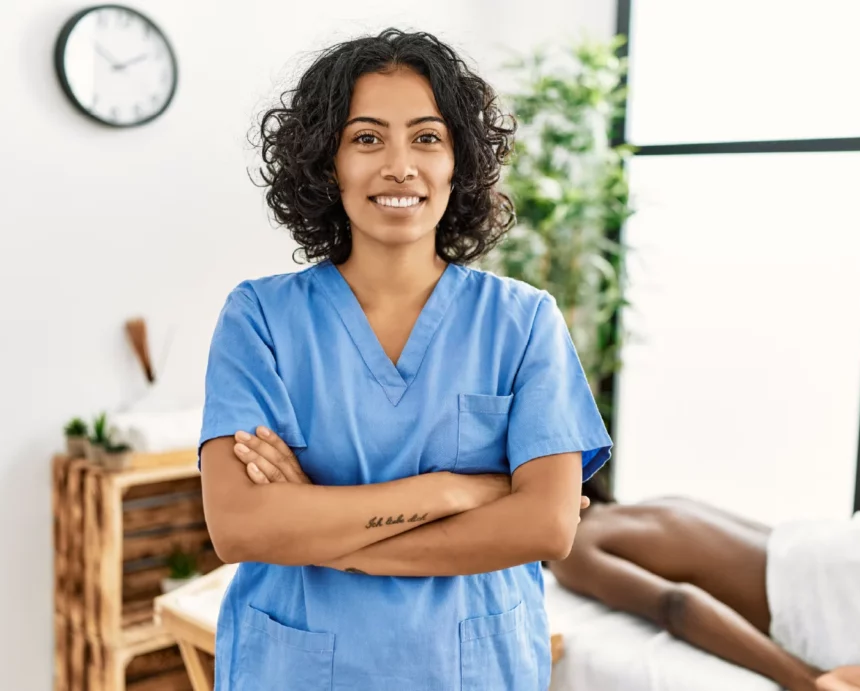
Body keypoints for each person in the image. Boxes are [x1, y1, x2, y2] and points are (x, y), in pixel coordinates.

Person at [197, 29, 611, 691]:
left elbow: (549, 522)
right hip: (296, 670)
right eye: (367, 138)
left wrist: (324, 528)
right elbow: (241, 524)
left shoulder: (523, 321)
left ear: (459, 161)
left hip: (471, 670)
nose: (399, 165)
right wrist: (453, 492)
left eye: (426, 137)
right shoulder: (260, 319)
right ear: (326, 161)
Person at [545, 475, 860, 691]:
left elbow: (676, 605)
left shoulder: (573, 547)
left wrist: (807, 679)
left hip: (830, 593)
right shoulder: (649, 504)